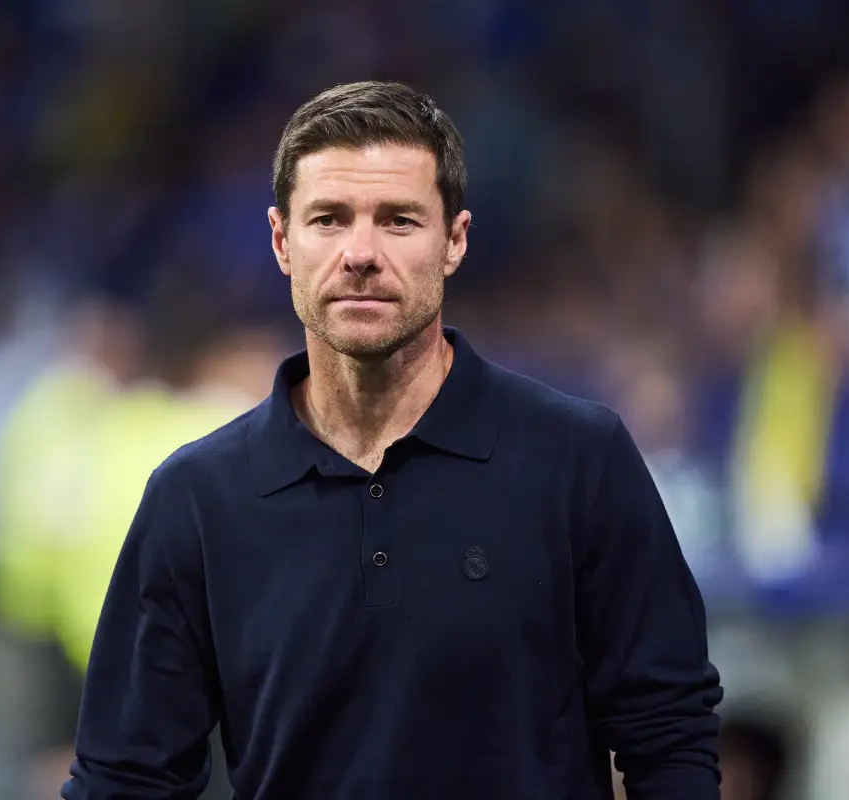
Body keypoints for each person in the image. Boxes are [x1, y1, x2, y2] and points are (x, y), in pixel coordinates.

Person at [63, 81, 722, 800]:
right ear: (283, 241)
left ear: (456, 241)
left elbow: (670, 738)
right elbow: (124, 780)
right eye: (329, 219)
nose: (361, 253)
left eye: (399, 221)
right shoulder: (197, 498)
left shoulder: (579, 462)